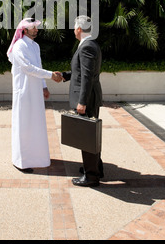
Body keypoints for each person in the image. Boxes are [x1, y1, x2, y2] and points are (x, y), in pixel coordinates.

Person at [7, 17, 62, 173]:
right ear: (24, 30)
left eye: (36, 27)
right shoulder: (19, 46)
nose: (36, 30)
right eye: (33, 27)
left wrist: (44, 86)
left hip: (35, 91)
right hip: (24, 92)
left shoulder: (36, 46)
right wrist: (51, 75)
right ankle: (21, 161)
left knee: (36, 123)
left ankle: (37, 157)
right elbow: (28, 68)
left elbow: (38, 66)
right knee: (24, 125)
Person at [62, 15, 103, 187]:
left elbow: (87, 77)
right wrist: (65, 76)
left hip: (87, 98)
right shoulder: (90, 45)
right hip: (90, 96)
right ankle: (95, 168)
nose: (73, 29)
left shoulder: (86, 47)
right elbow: (82, 72)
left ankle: (91, 176)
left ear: (79, 29)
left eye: (74, 27)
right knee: (91, 136)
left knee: (86, 136)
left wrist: (82, 102)